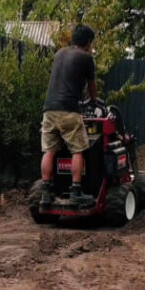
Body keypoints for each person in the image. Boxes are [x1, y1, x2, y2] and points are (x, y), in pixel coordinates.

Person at [39, 24, 98, 207]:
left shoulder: (59, 54)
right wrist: (94, 102)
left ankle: (46, 192)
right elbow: (92, 86)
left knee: (49, 150)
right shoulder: (86, 58)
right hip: (69, 110)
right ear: (88, 42)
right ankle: (76, 191)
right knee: (78, 150)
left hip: (49, 109)